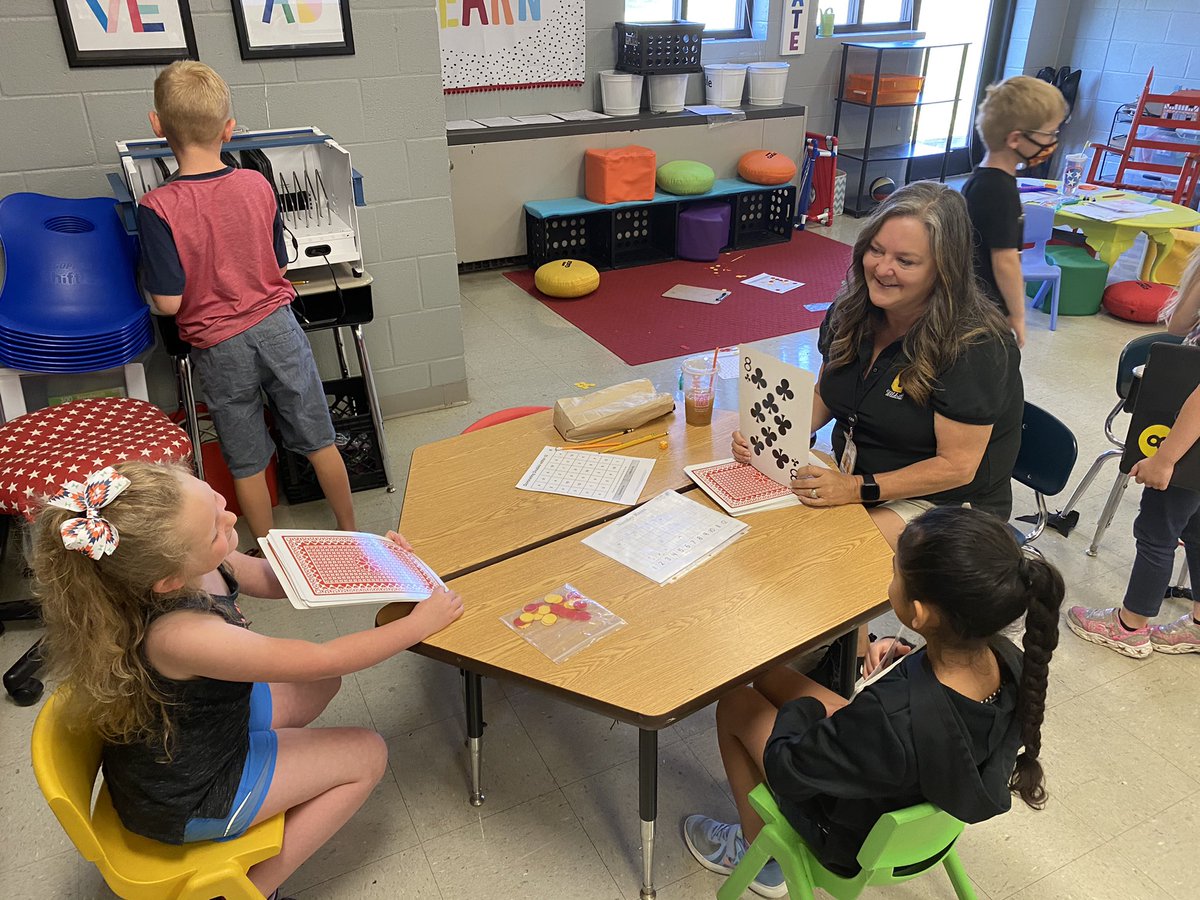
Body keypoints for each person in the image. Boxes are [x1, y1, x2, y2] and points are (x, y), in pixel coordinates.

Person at [33, 461, 464, 899]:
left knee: (324, 684)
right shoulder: (181, 636)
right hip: (190, 795)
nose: (230, 517)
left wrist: (380, 565)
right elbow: (320, 656)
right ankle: (249, 891)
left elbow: (270, 577)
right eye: (216, 530)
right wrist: (416, 627)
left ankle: (275, 780)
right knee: (367, 754)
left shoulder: (186, 560)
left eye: (215, 499)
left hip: (187, 739)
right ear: (169, 580)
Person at [682, 507, 1063, 897]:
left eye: (896, 570)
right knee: (766, 672)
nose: (891, 576)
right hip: (910, 784)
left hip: (846, 833)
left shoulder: (890, 716)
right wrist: (905, 666)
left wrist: (808, 713)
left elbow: (787, 769)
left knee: (733, 701)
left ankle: (758, 855)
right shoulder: (1010, 660)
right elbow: (903, 719)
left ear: (918, 613)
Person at [732, 181, 1023, 551]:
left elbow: (956, 466)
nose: (882, 269)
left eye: (906, 261)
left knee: (822, 550)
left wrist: (857, 489)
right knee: (765, 528)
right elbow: (827, 391)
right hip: (860, 478)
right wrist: (768, 436)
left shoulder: (976, 345)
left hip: (945, 503)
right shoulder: (851, 310)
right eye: (876, 250)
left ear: (944, 270)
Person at [137, 60, 354, 538]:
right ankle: (350, 528)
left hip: (219, 347)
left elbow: (169, 304)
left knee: (247, 458)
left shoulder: (157, 207)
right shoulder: (257, 184)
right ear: (229, 129)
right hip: (278, 327)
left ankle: (273, 554)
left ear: (156, 124)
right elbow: (278, 266)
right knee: (319, 438)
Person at [1068, 248, 1200, 656]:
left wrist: (1166, 458)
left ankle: (1131, 625)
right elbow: (1179, 325)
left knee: (1156, 531)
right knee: (1195, 532)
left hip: (1188, 442)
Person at [962, 75, 1068, 347]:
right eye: (1049, 134)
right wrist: (1018, 314)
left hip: (975, 305)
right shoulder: (998, 190)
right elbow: (1005, 260)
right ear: (1015, 139)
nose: (1053, 142)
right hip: (981, 310)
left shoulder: (987, 180)